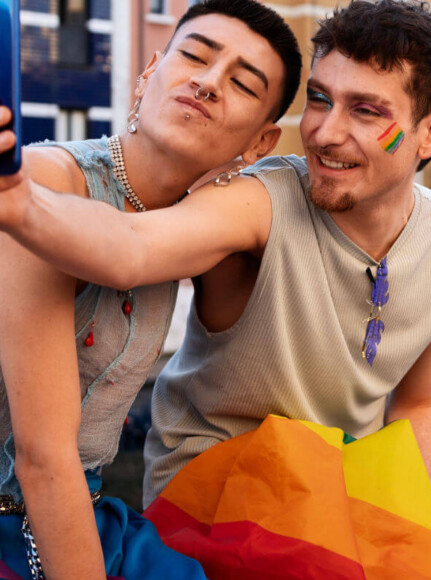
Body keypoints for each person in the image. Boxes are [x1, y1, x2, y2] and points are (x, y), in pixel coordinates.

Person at [0, 2, 431, 577]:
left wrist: (406, 528)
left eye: (367, 110)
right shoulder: (256, 198)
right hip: (224, 478)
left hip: (348, 474)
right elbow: (128, 249)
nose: (324, 133)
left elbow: (416, 408)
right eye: (321, 100)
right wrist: (19, 198)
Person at [0, 0, 302, 577]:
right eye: (194, 56)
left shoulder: (192, 234)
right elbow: (41, 458)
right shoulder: (44, 187)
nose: (208, 83)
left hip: (86, 514)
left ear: (262, 144)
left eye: (241, 82)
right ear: (147, 76)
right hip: (32, 512)